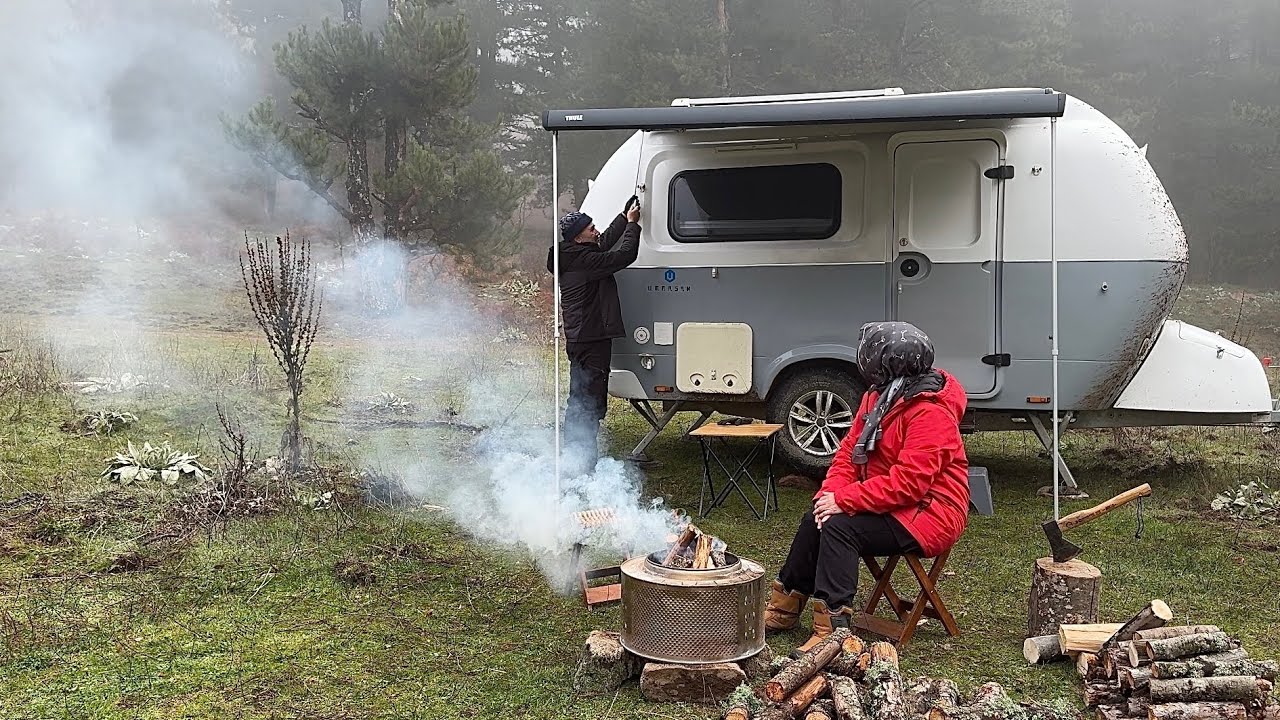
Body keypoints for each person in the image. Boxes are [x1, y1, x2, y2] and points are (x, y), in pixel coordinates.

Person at [763, 321, 971, 653]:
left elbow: (910, 485)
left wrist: (844, 501)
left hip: (931, 513)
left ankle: (833, 629)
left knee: (841, 528)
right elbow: (848, 452)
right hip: (896, 502)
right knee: (816, 519)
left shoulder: (930, 412)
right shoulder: (879, 396)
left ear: (884, 362)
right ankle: (783, 609)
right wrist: (827, 496)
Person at [547, 196, 642, 472]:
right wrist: (634, 226)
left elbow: (602, 243)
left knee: (578, 396)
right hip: (591, 339)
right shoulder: (585, 261)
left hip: (580, 338)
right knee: (590, 400)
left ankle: (574, 456)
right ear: (578, 238)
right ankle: (583, 462)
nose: (596, 231)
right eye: (591, 228)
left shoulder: (572, 255)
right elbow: (624, 255)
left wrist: (623, 217)